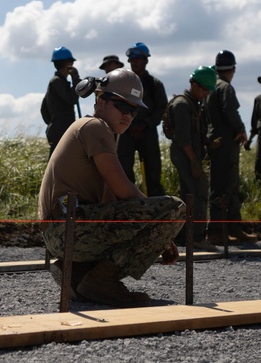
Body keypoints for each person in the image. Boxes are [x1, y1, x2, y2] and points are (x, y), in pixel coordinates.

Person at [38, 68, 185, 307]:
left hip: (63, 231)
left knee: (143, 215)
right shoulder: (95, 127)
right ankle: (101, 280)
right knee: (175, 208)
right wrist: (163, 225)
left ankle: (79, 275)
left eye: (134, 110)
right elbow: (125, 190)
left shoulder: (95, 130)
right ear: (100, 101)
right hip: (67, 231)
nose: (128, 115)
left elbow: (114, 202)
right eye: (123, 107)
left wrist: (161, 238)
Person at [166, 66, 216, 247]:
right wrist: (194, 161)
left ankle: (186, 236)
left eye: (208, 90)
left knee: (191, 193)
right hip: (185, 154)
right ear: (194, 85)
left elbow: (196, 132)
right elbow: (183, 138)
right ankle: (196, 237)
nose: (206, 93)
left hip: (191, 154)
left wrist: (208, 142)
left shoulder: (194, 104)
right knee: (196, 192)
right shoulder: (182, 105)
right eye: (204, 89)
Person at [205, 50, 251, 242]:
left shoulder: (210, 86)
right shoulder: (226, 88)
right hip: (226, 143)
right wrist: (241, 129)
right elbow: (230, 111)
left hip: (215, 142)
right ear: (232, 69)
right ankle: (218, 230)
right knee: (225, 186)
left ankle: (232, 228)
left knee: (226, 185)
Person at [116, 43, 167, 197]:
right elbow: (116, 106)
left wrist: (145, 124)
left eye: (137, 59)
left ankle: (155, 206)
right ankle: (126, 204)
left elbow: (161, 109)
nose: (134, 62)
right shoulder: (122, 82)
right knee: (122, 170)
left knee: (153, 173)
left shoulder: (155, 85)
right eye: (131, 59)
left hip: (148, 133)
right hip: (125, 131)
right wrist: (130, 125)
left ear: (146, 60)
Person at [40, 46, 80, 155]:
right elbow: (72, 99)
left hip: (58, 128)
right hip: (61, 130)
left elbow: (44, 108)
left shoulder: (55, 82)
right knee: (58, 164)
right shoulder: (57, 82)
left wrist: (52, 123)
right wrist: (76, 79)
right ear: (68, 64)